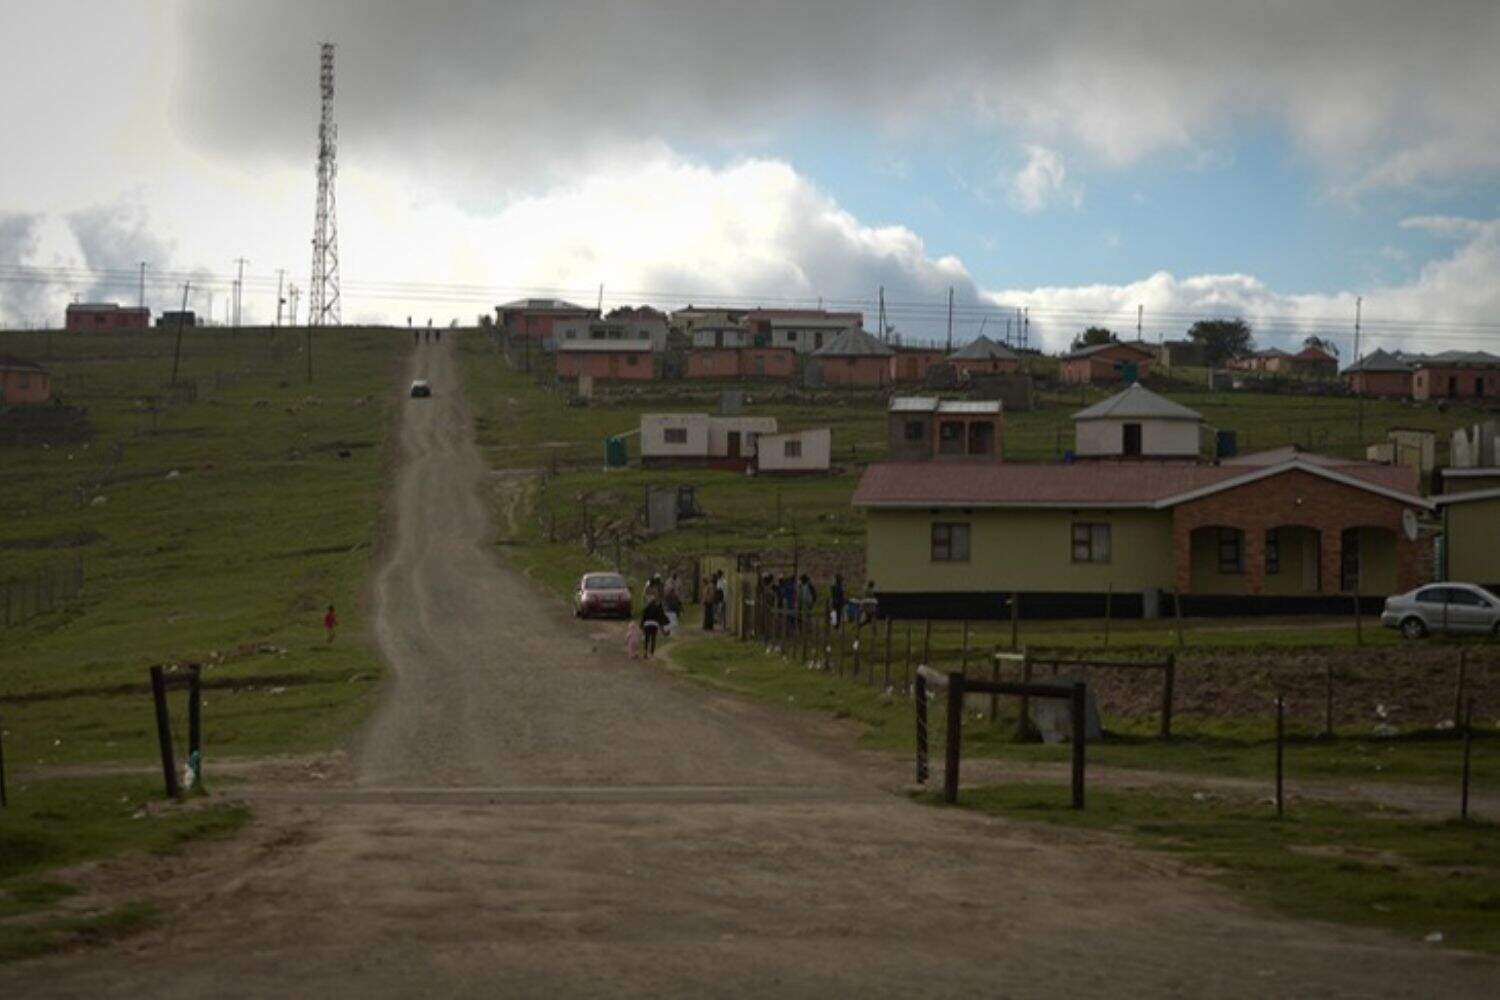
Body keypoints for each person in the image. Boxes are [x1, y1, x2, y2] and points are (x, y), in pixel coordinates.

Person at [640, 594, 669, 658]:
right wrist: (663, 628)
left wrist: (641, 626)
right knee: (653, 639)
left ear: (650, 601)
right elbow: (660, 618)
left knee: (647, 639)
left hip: (647, 625)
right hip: (654, 625)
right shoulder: (658, 608)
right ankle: (651, 653)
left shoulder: (646, 608)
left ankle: (645, 652)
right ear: (655, 601)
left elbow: (643, 618)